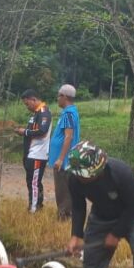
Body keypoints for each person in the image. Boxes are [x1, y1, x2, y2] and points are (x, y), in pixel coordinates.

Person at [14, 89, 51, 213]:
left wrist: (24, 131)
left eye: (27, 104)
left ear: (33, 99)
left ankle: (34, 209)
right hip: (30, 153)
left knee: (34, 182)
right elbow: (32, 131)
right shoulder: (35, 113)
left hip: (38, 154)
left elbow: (42, 131)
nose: (27, 107)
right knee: (31, 181)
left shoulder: (43, 112)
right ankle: (35, 205)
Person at [49, 84, 81, 220]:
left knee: (63, 190)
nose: (57, 99)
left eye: (58, 95)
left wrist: (61, 159)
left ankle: (64, 216)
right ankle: (66, 214)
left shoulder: (68, 114)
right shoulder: (69, 112)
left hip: (64, 161)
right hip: (64, 159)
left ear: (64, 97)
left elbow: (69, 136)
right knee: (64, 188)